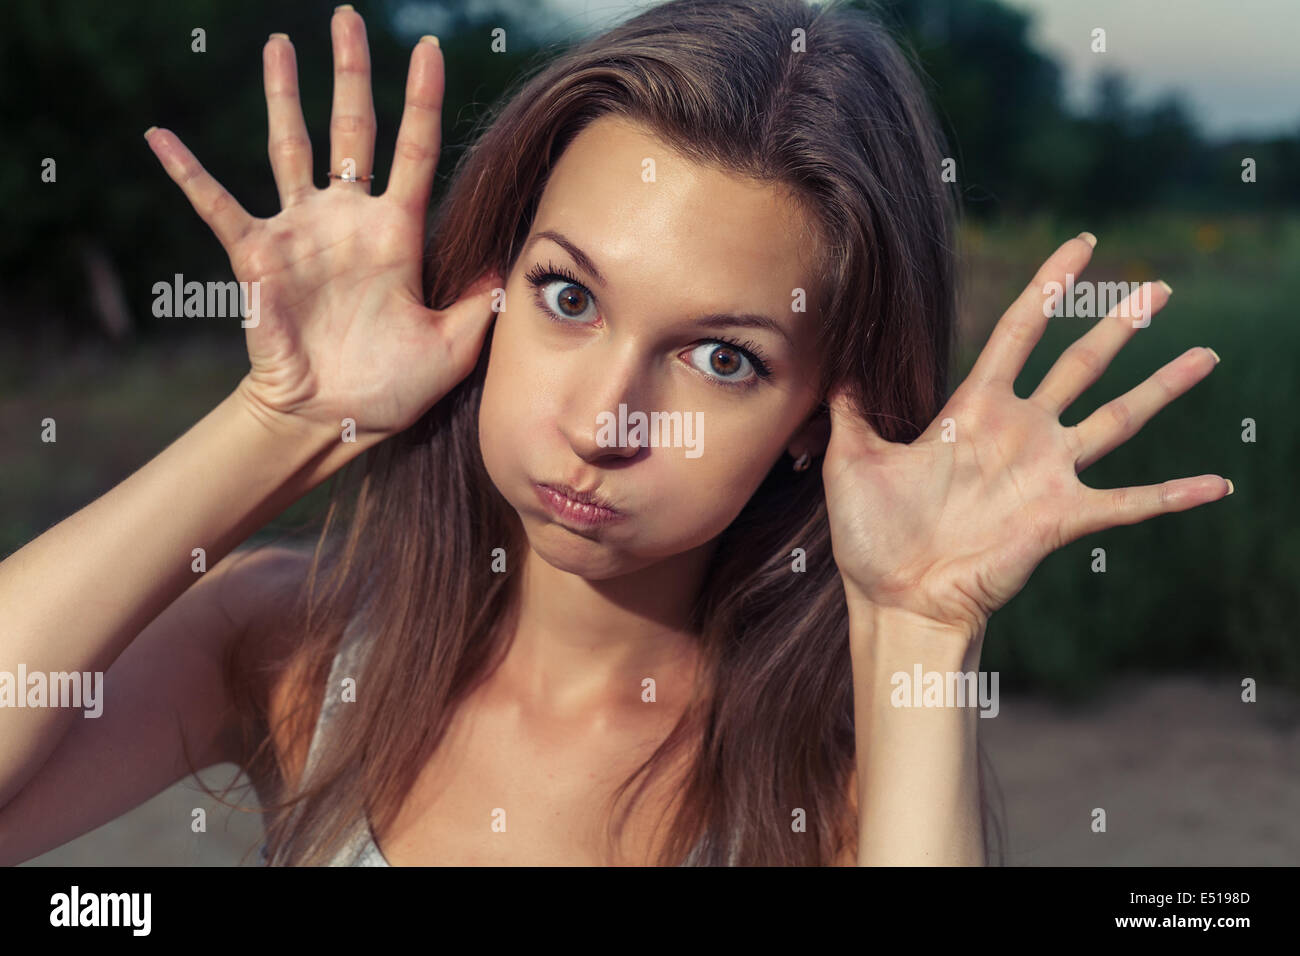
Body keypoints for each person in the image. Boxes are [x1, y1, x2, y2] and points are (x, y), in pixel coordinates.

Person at [0, 0, 1228, 867]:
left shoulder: (829, 783)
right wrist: (285, 420)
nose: (602, 421)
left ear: (817, 414)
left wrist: (916, 627)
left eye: (722, 357)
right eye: (568, 295)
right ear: (492, 281)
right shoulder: (291, 649)